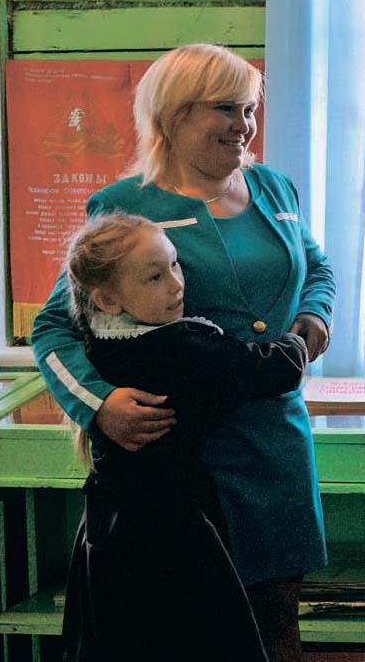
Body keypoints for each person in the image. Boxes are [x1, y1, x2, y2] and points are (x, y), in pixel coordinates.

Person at [32, 43, 336, 662]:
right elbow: (53, 328)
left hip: (276, 443)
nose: (243, 124)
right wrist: (99, 404)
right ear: (172, 116)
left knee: (278, 624)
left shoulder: (274, 188)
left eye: (248, 108)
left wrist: (313, 318)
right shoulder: (123, 206)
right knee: (188, 634)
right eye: (225, 108)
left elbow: (319, 269)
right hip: (181, 458)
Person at [59, 212, 309, 662]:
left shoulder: (98, 343)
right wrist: (299, 340)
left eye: (175, 264)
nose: (176, 284)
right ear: (108, 298)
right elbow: (269, 369)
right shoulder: (182, 349)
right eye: (155, 277)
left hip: (105, 523)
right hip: (173, 526)